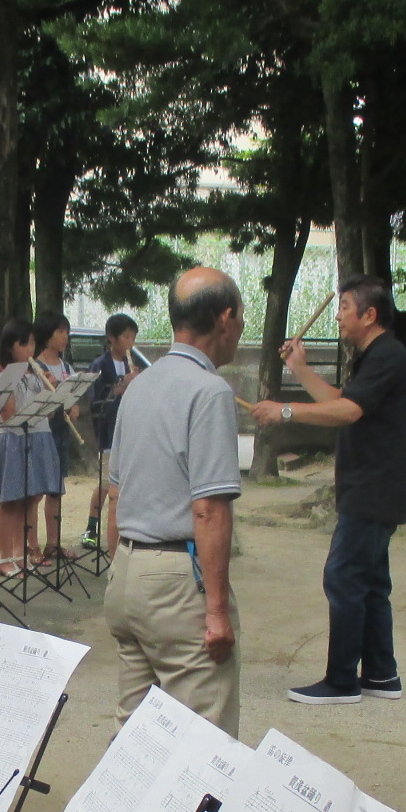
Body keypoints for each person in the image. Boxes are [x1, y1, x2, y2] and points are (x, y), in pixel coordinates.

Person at [253, 274, 406, 705]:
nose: (339, 315)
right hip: (374, 485)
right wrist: (300, 369)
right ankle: (381, 674)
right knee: (369, 582)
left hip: (374, 486)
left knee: (343, 576)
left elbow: (346, 412)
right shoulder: (377, 357)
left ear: (369, 314)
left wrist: (284, 411)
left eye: (345, 307)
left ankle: (342, 680)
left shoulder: (387, 355)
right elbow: (342, 398)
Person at [105, 268, 244, 737]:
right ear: (225, 318)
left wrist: (116, 571)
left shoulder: (139, 385)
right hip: (174, 580)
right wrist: (218, 610)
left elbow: (115, 493)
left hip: (127, 571)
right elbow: (210, 509)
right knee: (204, 739)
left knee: (135, 735)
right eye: (240, 318)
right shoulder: (209, 392)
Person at [0, 319, 62, 576]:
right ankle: (3, 556)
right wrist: (6, 382)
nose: (29, 349)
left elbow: (48, 415)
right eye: (23, 344)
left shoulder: (36, 374)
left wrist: (52, 392)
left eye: (31, 343)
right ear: (10, 347)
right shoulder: (6, 375)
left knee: (29, 498)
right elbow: (7, 413)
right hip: (14, 438)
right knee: (10, 499)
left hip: (38, 436)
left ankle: (20, 553)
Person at [82, 313, 138, 548]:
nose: (130, 343)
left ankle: (123, 528)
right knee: (106, 483)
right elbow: (93, 403)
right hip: (107, 431)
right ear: (112, 338)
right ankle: (91, 528)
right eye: (126, 337)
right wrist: (120, 386)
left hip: (129, 431)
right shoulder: (100, 365)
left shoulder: (133, 364)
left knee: (127, 483)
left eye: (133, 338)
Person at [33, 310, 79, 559]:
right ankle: (32, 546)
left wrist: (73, 406)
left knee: (56, 489)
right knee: (36, 491)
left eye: (66, 331)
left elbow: (74, 399)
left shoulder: (66, 367)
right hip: (42, 432)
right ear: (47, 334)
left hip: (61, 433)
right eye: (60, 331)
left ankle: (53, 542)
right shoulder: (36, 366)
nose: (65, 336)